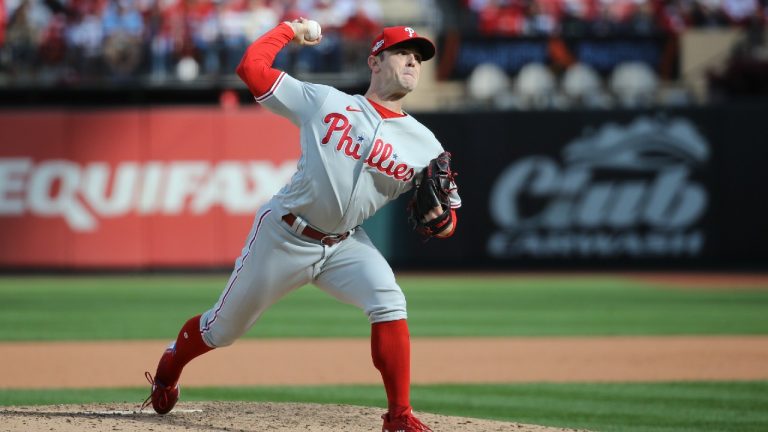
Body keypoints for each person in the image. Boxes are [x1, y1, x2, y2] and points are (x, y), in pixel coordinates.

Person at [142, 17, 461, 432]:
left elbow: (449, 218)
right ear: (374, 62)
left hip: (345, 246)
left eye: (418, 57)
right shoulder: (325, 102)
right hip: (283, 235)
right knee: (220, 329)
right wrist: (287, 31)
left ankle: (399, 416)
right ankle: (168, 372)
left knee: (389, 300)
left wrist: (443, 223)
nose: (412, 62)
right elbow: (251, 70)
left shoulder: (426, 144)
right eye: (402, 52)